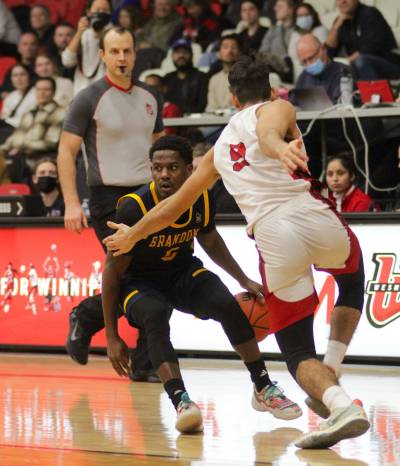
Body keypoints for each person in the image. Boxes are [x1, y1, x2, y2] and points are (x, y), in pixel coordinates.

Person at [103, 55, 370, 449]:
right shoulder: (278, 105)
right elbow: (267, 131)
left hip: (275, 239)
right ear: (271, 90)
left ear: (231, 97)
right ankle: (331, 371)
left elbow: (171, 208)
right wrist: (279, 148)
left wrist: (133, 235)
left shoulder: (218, 147)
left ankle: (338, 401)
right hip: (315, 217)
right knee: (352, 280)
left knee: (296, 350)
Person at [102, 134, 301, 433]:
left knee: (226, 303)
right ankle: (182, 401)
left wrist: (243, 278)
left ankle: (263, 387)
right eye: (157, 168)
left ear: (189, 170)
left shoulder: (201, 197)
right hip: (139, 283)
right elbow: (112, 273)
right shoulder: (133, 207)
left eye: (172, 167)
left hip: (182, 272)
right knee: (156, 315)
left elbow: (210, 240)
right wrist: (111, 336)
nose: (164, 175)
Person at [58, 26, 164, 382]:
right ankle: (87, 317)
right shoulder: (88, 98)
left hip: (148, 195)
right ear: (102, 55)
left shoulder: (151, 97)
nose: (122, 58)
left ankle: (144, 362)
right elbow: (66, 152)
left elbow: (158, 151)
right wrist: (73, 203)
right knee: (132, 273)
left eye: (127, 51)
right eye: (114, 51)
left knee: (160, 273)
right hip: (108, 199)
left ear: (135, 53)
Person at [0, 77, 65, 177]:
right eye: (39, 89)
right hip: (20, 159)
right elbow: (14, 138)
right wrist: (2, 150)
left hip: (42, 160)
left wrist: (22, 147)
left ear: (53, 92)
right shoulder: (28, 112)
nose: (42, 93)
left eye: (46, 89)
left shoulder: (60, 113)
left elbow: (51, 143)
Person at [325, 0, 400, 80]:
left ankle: (373, 92)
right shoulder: (340, 20)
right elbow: (329, 51)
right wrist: (336, 27)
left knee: (360, 61)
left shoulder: (370, 13)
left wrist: (346, 62)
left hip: (390, 64)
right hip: (359, 65)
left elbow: (368, 49)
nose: (343, 1)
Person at [61, 0, 112, 95]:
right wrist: (79, 32)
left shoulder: (116, 34)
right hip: (82, 92)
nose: (101, 13)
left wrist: (102, 36)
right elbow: (67, 61)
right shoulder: (83, 34)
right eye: (97, 9)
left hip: (107, 93)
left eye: (105, 10)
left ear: (110, 13)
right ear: (89, 12)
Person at [163, 39, 208, 114]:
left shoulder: (202, 77)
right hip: (172, 121)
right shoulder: (167, 79)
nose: (181, 55)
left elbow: (202, 105)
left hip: (196, 122)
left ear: (192, 55)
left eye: (185, 52)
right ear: (172, 56)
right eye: (177, 52)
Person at [258, 0, 296, 83]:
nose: (275, 8)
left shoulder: (297, 31)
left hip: (290, 74)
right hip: (270, 71)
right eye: (276, 6)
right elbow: (262, 52)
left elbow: (292, 57)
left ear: (290, 10)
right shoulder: (272, 29)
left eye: (280, 6)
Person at [288, 2, 327, 77]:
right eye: (300, 16)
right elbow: (292, 56)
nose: (304, 18)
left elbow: (322, 55)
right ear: (295, 18)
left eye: (306, 15)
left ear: (313, 16)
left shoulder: (321, 30)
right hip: (301, 71)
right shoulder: (295, 34)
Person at [206, 34, 242, 114]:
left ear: (239, 53)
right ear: (219, 54)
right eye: (225, 47)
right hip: (216, 123)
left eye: (234, 47)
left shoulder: (248, 76)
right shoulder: (214, 79)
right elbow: (211, 107)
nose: (229, 51)